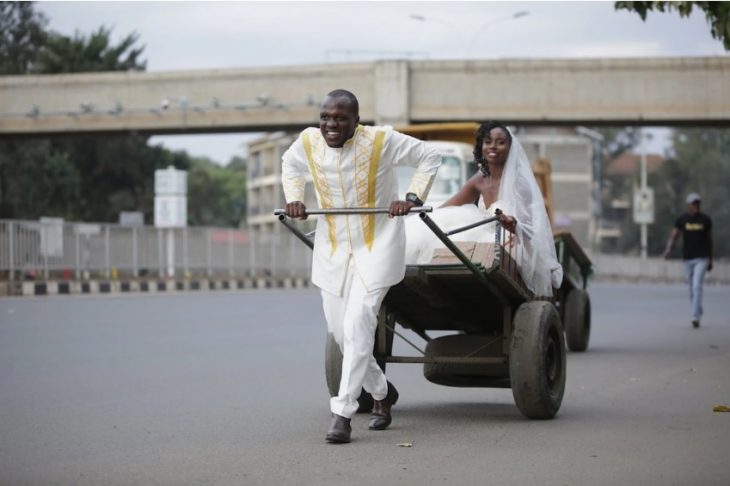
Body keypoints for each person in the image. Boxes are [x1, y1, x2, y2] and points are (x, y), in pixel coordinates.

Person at [281, 89, 442, 443]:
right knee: (342, 334)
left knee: (358, 322)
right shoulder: (308, 142)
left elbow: (430, 156)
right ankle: (384, 393)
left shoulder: (382, 140)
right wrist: (294, 198)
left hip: (378, 244)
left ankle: (342, 413)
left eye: (340, 118)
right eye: (325, 117)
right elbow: (290, 166)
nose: (330, 125)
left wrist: (412, 199)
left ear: (357, 120)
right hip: (333, 248)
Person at [405, 121, 563, 297]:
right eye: (488, 142)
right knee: (439, 229)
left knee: (490, 251)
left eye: (500, 142)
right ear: (482, 146)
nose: (493, 147)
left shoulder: (521, 185)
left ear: (510, 148)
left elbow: (532, 229)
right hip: (481, 233)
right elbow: (447, 208)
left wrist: (514, 226)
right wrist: (418, 216)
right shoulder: (479, 180)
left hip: (513, 242)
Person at [662, 193, 713, 328]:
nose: (696, 206)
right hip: (687, 259)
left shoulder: (705, 220)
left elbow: (709, 240)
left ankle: (695, 316)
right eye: (693, 203)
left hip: (702, 258)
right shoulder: (682, 219)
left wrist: (711, 260)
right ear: (689, 205)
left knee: (697, 286)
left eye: (698, 203)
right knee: (691, 289)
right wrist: (668, 250)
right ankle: (698, 309)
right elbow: (674, 236)